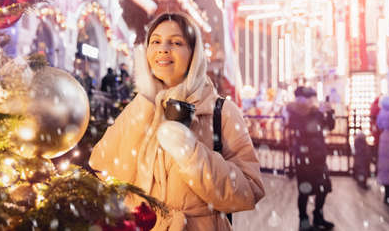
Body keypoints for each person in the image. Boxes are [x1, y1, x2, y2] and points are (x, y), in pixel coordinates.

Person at [89, 12, 265, 231]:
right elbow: (102, 165)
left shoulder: (222, 112)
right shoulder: (141, 105)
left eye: (176, 42)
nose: (163, 49)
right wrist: (145, 103)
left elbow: (249, 189)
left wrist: (190, 154)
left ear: (193, 53)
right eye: (155, 41)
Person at [283, 86, 335, 231]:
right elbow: (305, 127)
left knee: (323, 188)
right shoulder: (295, 112)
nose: (314, 101)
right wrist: (318, 112)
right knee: (305, 190)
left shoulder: (315, 112)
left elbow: (329, 126)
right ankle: (304, 221)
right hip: (304, 158)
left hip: (319, 156)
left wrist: (330, 112)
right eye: (311, 98)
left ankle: (318, 217)